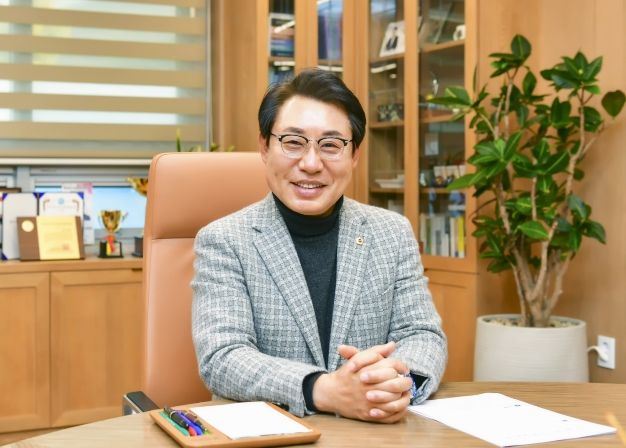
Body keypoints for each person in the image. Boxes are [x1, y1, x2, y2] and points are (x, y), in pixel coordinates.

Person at [191, 69, 447, 423]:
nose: (311, 164)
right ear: (264, 147)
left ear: (354, 154)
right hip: (271, 433)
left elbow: (422, 334)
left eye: (330, 145)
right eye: (293, 142)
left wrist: (396, 386)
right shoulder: (224, 240)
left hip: (373, 433)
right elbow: (223, 357)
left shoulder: (392, 233)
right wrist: (324, 390)